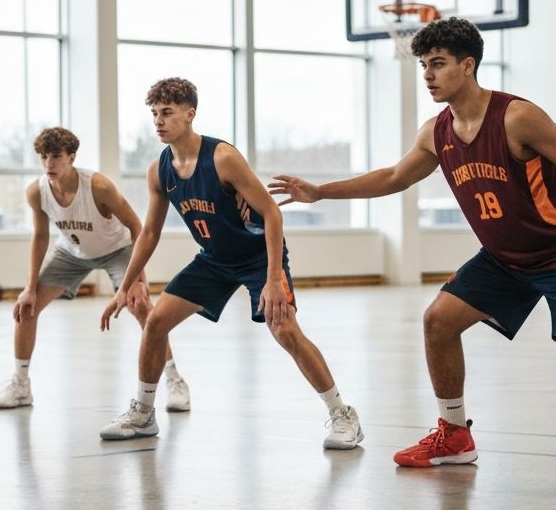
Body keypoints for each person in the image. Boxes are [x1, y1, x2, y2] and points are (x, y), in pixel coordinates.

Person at [269, 17, 556, 468]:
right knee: (438, 321)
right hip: (504, 261)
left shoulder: (517, 117)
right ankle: (454, 435)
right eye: (424, 64)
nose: (427, 74)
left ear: (468, 66)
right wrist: (321, 191)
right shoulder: (435, 131)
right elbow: (392, 177)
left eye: (438, 64)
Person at [98, 77, 363, 447]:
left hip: (258, 258)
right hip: (213, 260)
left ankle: (343, 415)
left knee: (285, 331)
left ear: (190, 114)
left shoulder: (222, 157)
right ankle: (143, 414)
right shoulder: (159, 170)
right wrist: (124, 288)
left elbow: (272, 214)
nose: (159, 121)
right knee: (155, 322)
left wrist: (273, 279)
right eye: (154, 114)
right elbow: (149, 233)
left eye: (167, 113)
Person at [0, 126, 190, 411]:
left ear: (71, 157)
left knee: (143, 307)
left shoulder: (98, 186)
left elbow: (137, 227)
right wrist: (29, 287)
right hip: (72, 253)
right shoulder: (37, 192)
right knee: (26, 309)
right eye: (44, 157)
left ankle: (174, 380)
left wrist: (138, 280)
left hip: (117, 251)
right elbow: (40, 236)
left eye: (56, 156)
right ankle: (20, 385)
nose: (49, 164)